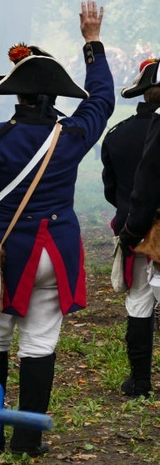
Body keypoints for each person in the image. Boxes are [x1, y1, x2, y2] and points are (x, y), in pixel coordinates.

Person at [0, 0, 114, 456]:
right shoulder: (74, 135)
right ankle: (28, 440)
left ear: (18, 96)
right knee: (40, 342)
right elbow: (102, 98)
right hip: (54, 254)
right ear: (54, 98)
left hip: (3, 254)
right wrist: (92, 42)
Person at [101, 58, 160, 398]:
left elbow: (112, 189)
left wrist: (130, 223)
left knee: (138, 302)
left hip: (132, 230)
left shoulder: (118, 134)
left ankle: (139, 381)